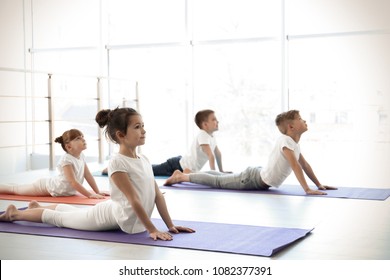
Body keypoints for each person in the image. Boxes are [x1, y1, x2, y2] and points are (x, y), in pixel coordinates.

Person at [0, 107, 195, 241]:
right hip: (105, 217)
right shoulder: (117, 162)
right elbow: (134, 200)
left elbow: (157, 196)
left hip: (115, 210)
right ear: (120, 135)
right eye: (137, 127)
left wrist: (170, 226)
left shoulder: (143, 160)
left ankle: (36, 206)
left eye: (143, 125)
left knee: (73, 214)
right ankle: (15, 214)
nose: (144, 130)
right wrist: (153, 230)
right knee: (60, 220)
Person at [165, 110, 337, 195]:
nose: (305, 120)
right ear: (291, 127)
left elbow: (304, 165)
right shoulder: (286, 142)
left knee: (220, 177)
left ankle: (184, 175)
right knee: (217, 181)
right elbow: (296, 166)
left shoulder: (292, 143)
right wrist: (307, 189)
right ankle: (181, 177)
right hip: (252, 179)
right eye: (300, 119)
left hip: (256, 175)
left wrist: (318, 184)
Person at [0, 129, 107, 199]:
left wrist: (97, 192)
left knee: (17, 187)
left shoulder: (81, 157)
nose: (83, 139)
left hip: (59, 190)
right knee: (15, 190)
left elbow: (88, 175)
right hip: (46, 187)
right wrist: (90, 195)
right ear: (68, 146)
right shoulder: (66, 160)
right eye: (78, 138)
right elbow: (73, 182)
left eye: (82, 137)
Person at [152, 109, 229, 177]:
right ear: (205, 124)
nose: (217, 121)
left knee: (154, 169)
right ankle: (142, 166)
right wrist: (215, 175)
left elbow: (218, 154)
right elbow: (210, 155)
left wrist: (221, 171)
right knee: (152, 170)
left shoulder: (211, 136)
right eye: (214, 119)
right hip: (177, 166)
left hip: (183, 165)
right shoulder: (203, 135)